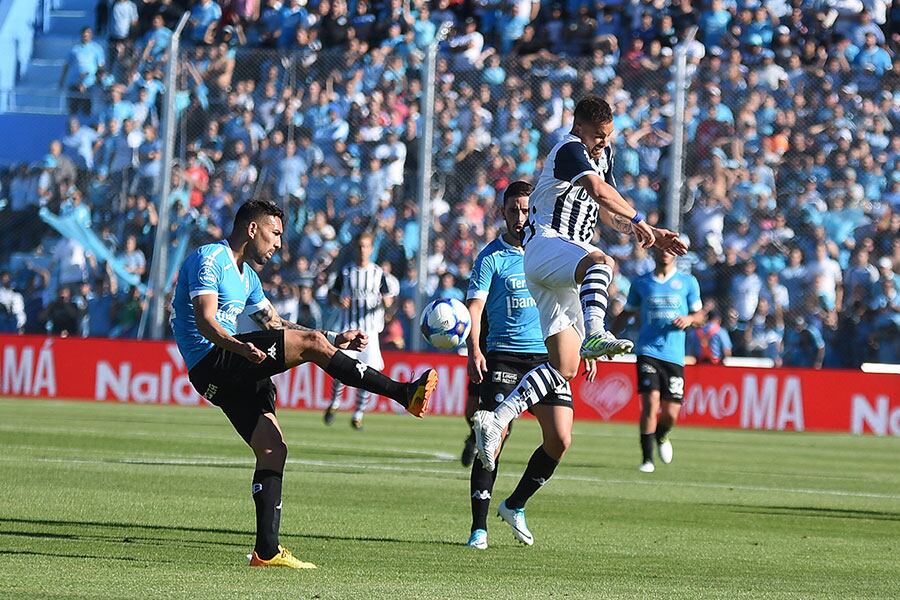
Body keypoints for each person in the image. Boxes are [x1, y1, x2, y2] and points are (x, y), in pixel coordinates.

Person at [170, 200, 438, 569]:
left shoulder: (247, 277)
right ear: (252, 229)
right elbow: (204, 321)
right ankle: (403, 393)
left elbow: (275, 323)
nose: (279, 243)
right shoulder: (210, 258)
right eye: (275, 233)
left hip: (228, 367)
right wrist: (241, 347)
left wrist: (330, 337)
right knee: (310, 349)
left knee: (272, 449)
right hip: (214, 359)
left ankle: (266, 552)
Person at [471, 96, 687, 473]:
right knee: (603, 262)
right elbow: (601, 192)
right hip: (548, 247)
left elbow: (604, 210)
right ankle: (596, 331)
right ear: (581, 127)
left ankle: (497, 418)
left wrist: (641, 229)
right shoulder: (570, 150)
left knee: (566, 367)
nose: (605, 141)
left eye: (608, 135)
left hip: (565, 263)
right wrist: (643, 219)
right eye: (600, 135)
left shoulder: (602, 155)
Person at [464, 180, 576, 549]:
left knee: (560, 440)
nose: (520, 217)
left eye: (527, 210)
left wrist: (581, 350)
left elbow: (567, 304)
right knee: (493, 439)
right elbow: (475, 309)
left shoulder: (547, 253)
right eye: (513, 210)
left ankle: (515, 504)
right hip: (503, 355)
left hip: (546, 358)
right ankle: (478, 528)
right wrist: (473, 349)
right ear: (502, 212)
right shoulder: (491, 258)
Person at [611, 247, 704, 473]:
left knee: (671, 414)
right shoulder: (641, 283)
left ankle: (662, 434)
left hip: (674, 356)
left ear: (676, 254)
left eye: (669, 250)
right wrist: (609, 337)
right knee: (650, 403)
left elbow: (700, 316)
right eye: (660, 249)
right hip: (648, 351)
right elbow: (627, 313)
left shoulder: (688, 282)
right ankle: (647, 459)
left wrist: (690, 319)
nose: (665, 253)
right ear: (653, 253)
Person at [323, 231, 395, 429]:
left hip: (370, 332)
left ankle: (358, 413)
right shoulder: (346, 273)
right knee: (340, 370)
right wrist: (339, 300)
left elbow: (389, 300)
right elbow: (332, 296)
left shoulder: (379, 274)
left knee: (368, 374)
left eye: (366, 246)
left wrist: (387, 303)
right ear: (356, 248)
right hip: (349, 329)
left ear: (371, 249)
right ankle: (335, 403)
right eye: (360, 246)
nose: (363, 250)